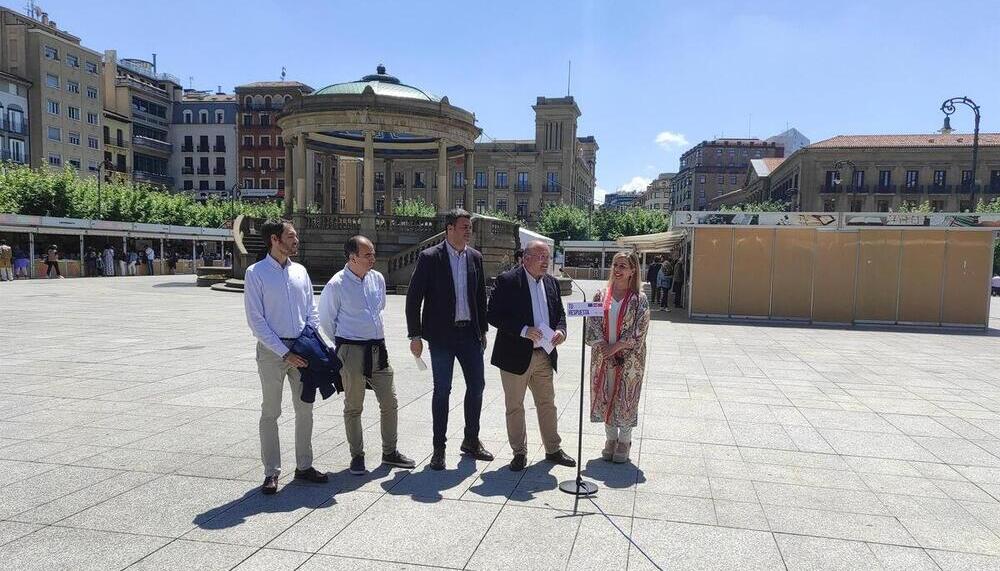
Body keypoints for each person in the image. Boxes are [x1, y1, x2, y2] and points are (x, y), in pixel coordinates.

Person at [243, 219, 328, 495]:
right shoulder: (256, 273)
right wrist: (284, 352)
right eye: (290, 236)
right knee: (271, 412)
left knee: (305, 409)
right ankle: (271, 472)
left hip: (301, 352)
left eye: (296, 236)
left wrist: (306, 342)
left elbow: (311, 311)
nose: (296, 240)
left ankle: (304, 466)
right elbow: (256, 321)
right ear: (274, 240)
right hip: (271, 353)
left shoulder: (300, 272)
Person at [319, 235, 415, 476]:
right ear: (352, 258)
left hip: (378, 349)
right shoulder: (336, 284)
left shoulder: (377, 279)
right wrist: (344, 347)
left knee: (389, 402)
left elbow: (379, 308)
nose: (373, 258)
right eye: (368, 255)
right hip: (350, 350)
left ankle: (390, 451)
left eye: (373, 253)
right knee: (354, 406)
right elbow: (326, 321)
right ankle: (357, 456)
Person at [406, 208, 493, 471]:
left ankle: (470, 440)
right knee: (442, 390)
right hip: (441, 337)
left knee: (476, 387)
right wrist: (415, 335)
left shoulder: (475, 258)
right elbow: (413, 298)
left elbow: (480, 297)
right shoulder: (430, 257)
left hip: (470, 335)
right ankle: (438, 448)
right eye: (464, 226)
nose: (469, 231)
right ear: (450, 229)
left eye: (470, 227)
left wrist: (483, 331)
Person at [487, 240, 575, 471]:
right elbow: (493, 315)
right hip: (514, 355)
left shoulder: (553, 283)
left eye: (547, 257)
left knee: (548, 403)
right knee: (515, 406)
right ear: (525, 258)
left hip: (544, 355)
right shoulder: (508, 281)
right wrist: (523, 330)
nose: (545, 261)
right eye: (540, 256)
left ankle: (553, 449)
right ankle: (519, 452)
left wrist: (561, 331)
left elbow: (560, 315)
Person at [586, 251, 650, 464]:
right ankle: (610, 439)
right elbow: (593, 324)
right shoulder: (600, 295)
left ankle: (625, 440)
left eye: (623, 266)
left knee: (626, 398)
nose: (618, 269)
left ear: (633, 270)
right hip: (603, 357)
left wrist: (617, 347)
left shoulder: (639, 299)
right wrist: (605, 348)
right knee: (605, 394)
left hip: (629, 359)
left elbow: (640, 330)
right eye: (615, 265)